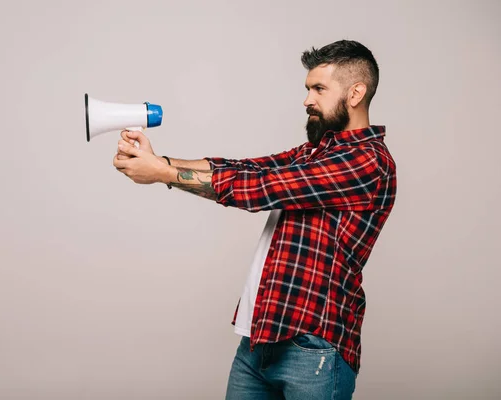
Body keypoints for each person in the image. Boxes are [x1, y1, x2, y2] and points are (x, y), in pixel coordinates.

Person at [113, 39, 396, 400]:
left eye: (319, 89)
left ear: (356, 93)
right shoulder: (315, 152)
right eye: (308, 88)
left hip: (312, 346)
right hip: (259, 338)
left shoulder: (367, 161)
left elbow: (263, 188)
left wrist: (160, 174)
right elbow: (245, 169)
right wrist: (162, 163)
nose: (307, 99)